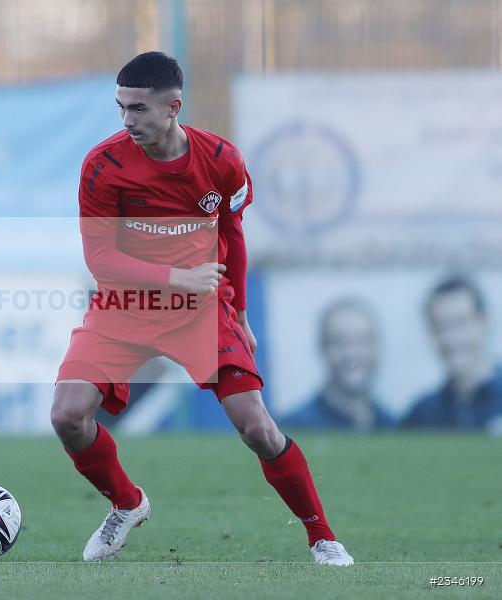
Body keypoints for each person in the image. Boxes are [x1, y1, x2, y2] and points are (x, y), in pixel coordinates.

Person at [50, 52, 353, 565]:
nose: (128, 120)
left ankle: (323, 538)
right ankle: (127, 504)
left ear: (174, 107)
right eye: (121, 108)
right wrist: (176, 276)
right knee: (67, 416)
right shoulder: (102, 165)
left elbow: (233, 234)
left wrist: (240, 314)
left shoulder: (221, 161)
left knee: (257, 428)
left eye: (140, 109)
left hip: (201, 311)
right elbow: (100, 257)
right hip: (124, 306)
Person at [402, 276, 502, 432]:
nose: (450, 339)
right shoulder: (420, 416)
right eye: (439, 327)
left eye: (459, 323)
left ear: (484, 323)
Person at [283, 297, 393, 431]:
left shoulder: (392, 426)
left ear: (377, 347)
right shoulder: (294, 428)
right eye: (339, 342)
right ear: (322, 349)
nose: (352, 353)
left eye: (362, 341)